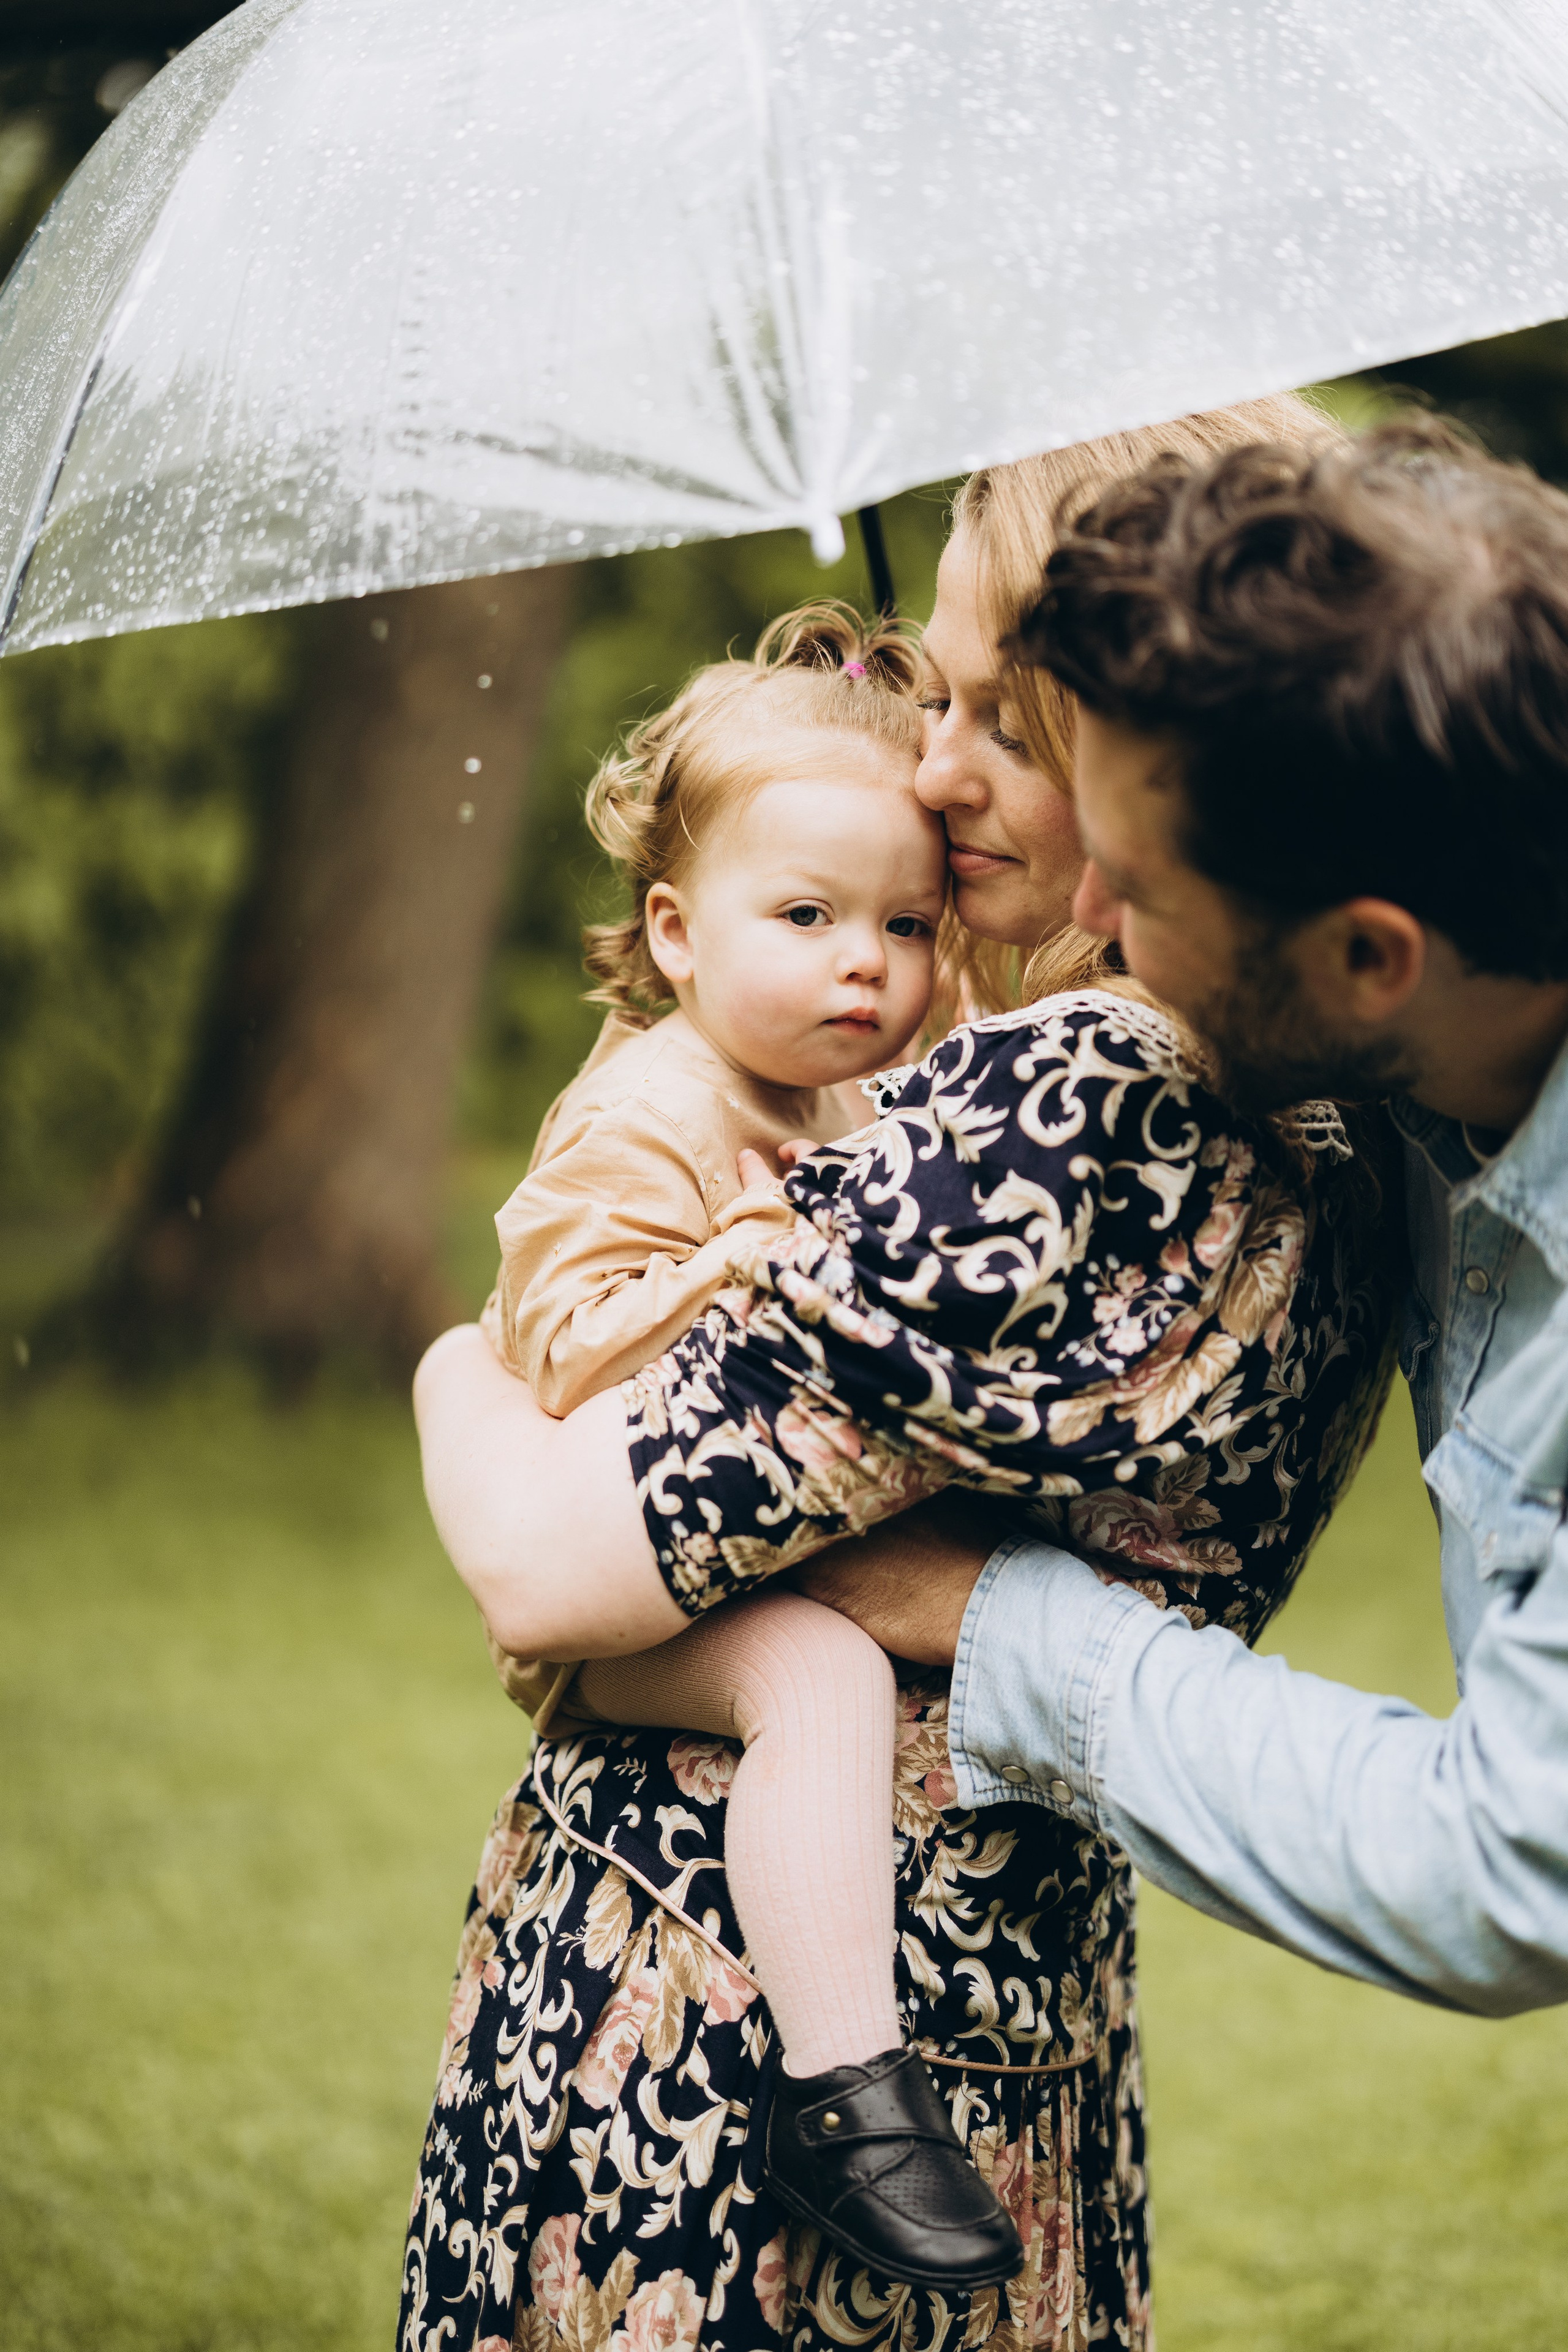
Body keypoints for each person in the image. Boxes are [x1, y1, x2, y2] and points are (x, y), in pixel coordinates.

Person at [400, 392, 1378, 2352]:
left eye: (999, 724)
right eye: (928, 700)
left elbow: (552, 1563)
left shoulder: (1067, 1097)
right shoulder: (1343, 1110)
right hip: (1024, 2006)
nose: (934, 772)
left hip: (729, 2020)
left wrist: (456, 1387)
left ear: (1153, 749)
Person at [478, 600, 1028, 2288]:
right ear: (679, 928)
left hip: (761, 1544)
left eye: (907, 924)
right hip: (634, 1605)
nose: (868, 964)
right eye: (806, 916)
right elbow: (549, 1358)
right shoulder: (648, 1106)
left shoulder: (872, 1096)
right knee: (821, 1682)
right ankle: (840, 2086)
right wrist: (715, 1268)